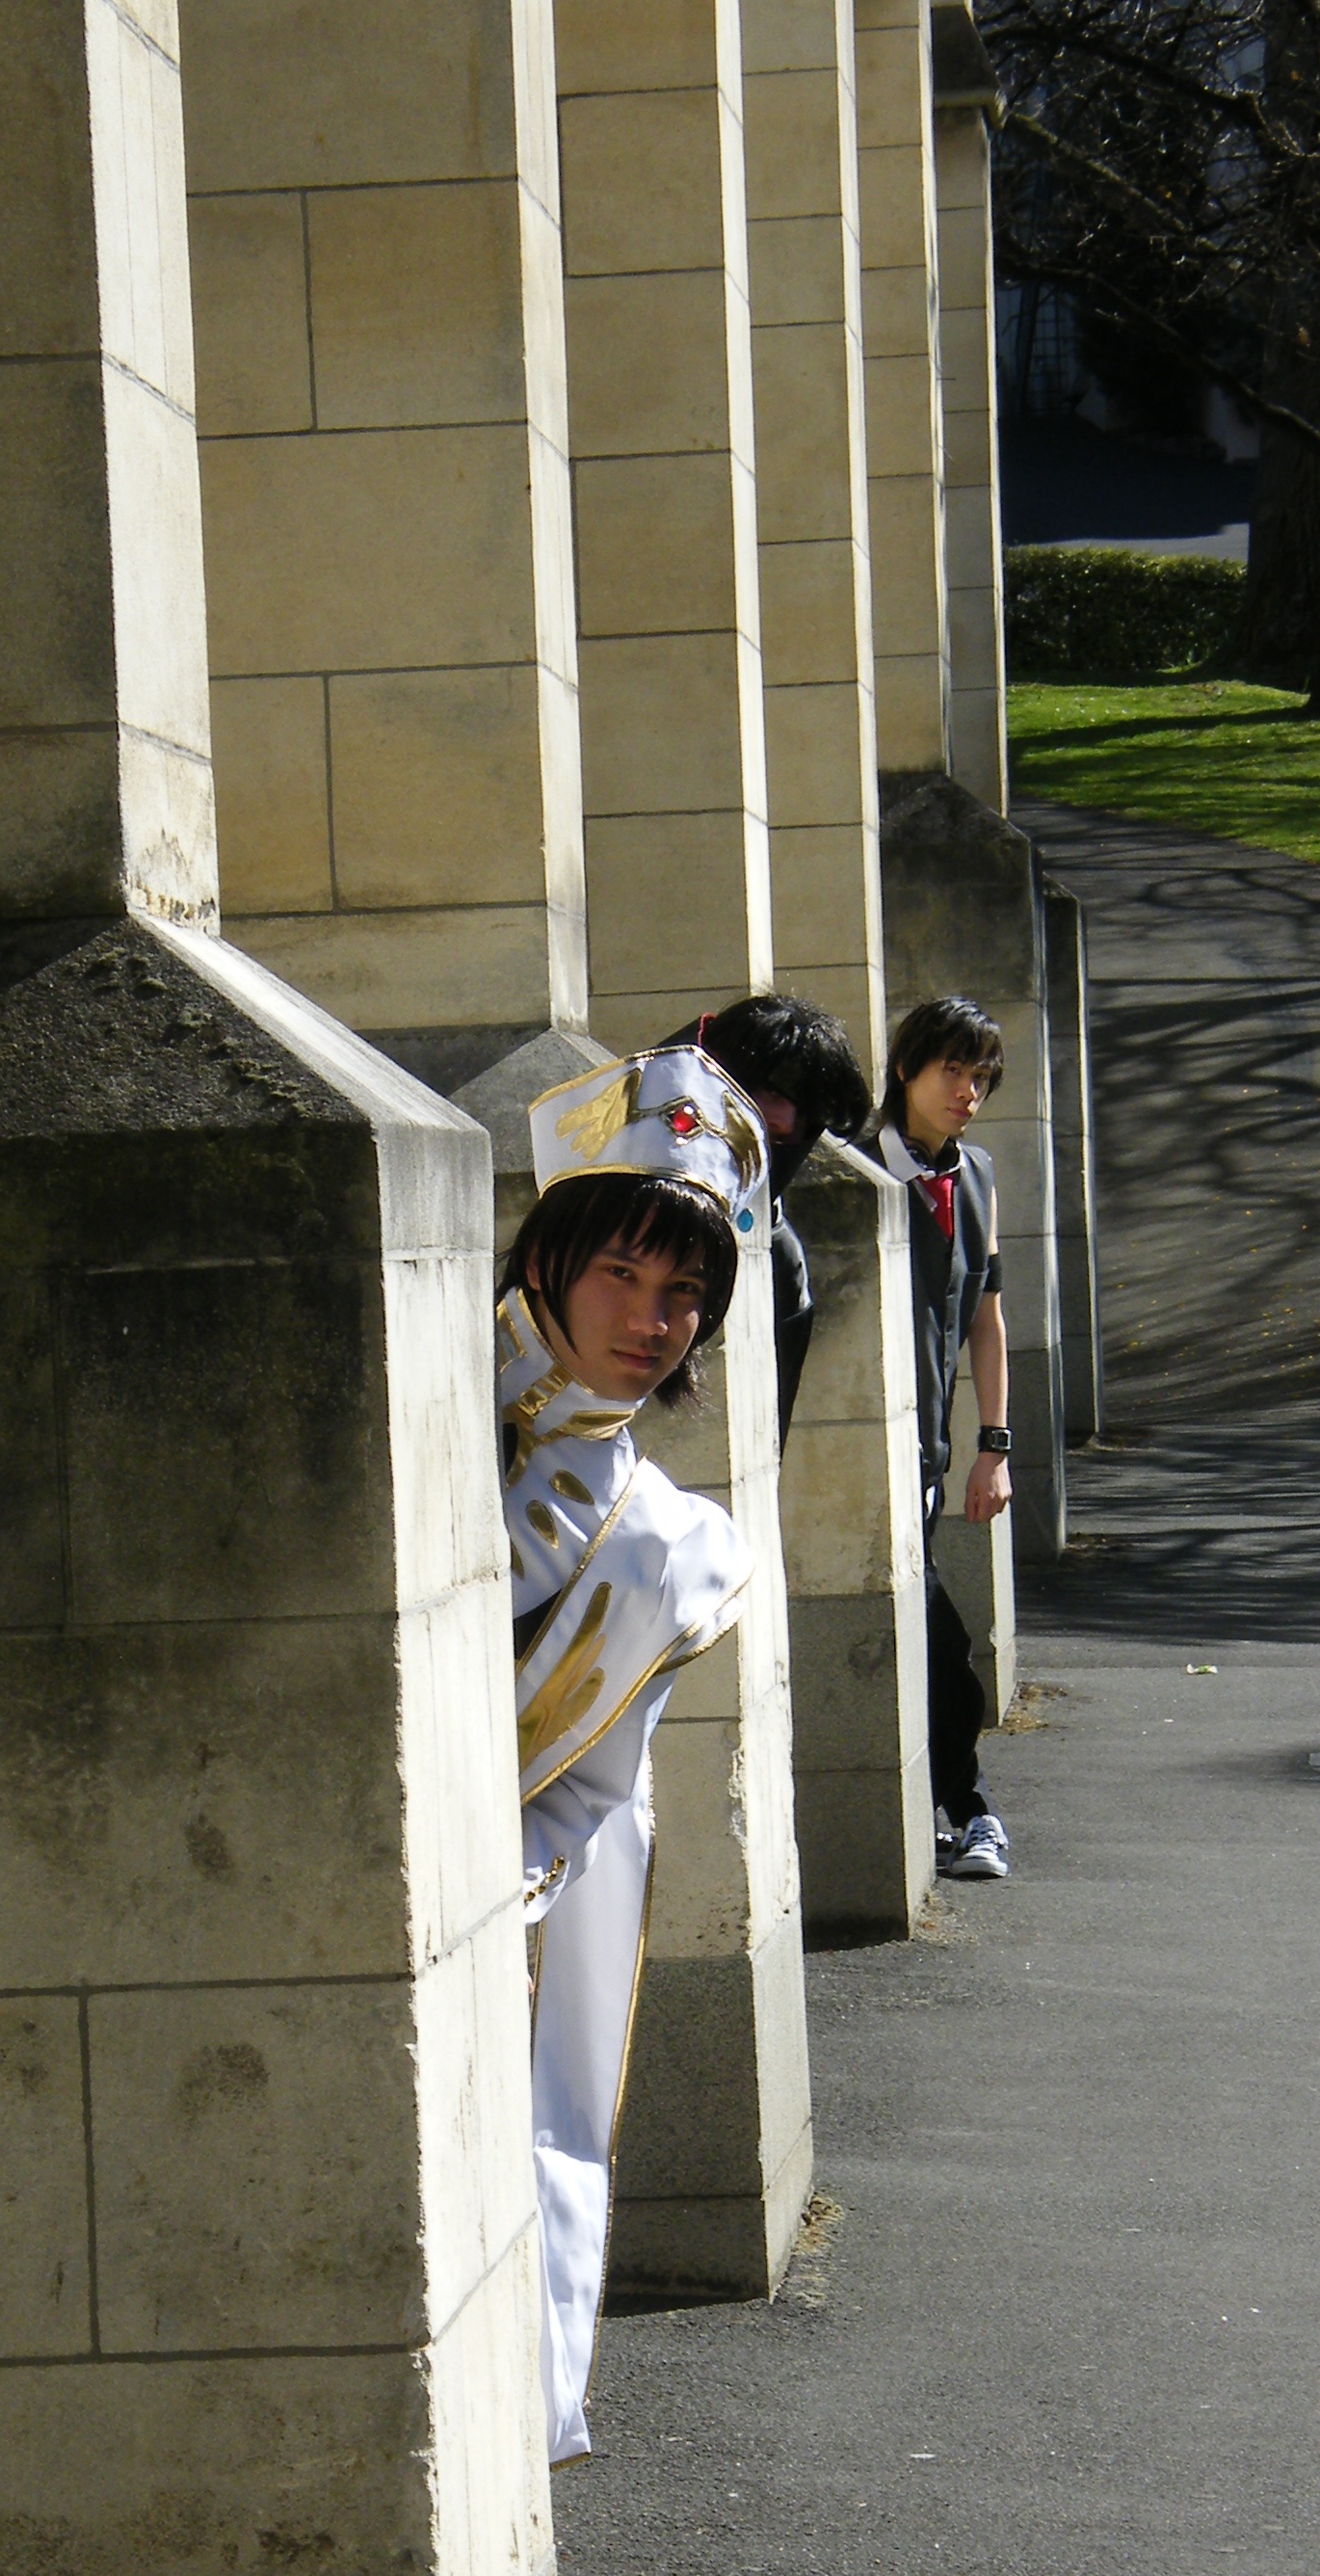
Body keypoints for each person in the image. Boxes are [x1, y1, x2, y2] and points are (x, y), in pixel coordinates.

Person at [499, 1046, 771, 2471]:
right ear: (546, 1257)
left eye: (685, 1292)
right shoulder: (398, 1407)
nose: (653, 1320)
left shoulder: (674, 1543)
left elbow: (588, 1793)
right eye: (620, 1273)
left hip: (530, 1909)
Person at [873, 996, 1014, 1884]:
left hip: (930, 1453)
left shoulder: (977, 1176)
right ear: (905, 1070)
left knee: (927, 1637)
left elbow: (987, 1321)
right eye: (951, 1071)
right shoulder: (856, 1169)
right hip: (860, 1454)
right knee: (940, 1643)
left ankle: (955, 1811)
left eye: (981, 1078)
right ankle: (971, 1810)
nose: (967, 1093)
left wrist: (993, 1446)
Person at [659, 994, 874, 1433]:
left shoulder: (781, 1258)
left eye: (795, 1130)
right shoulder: (612, 1191)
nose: (787, 1124)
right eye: (769, 1101)